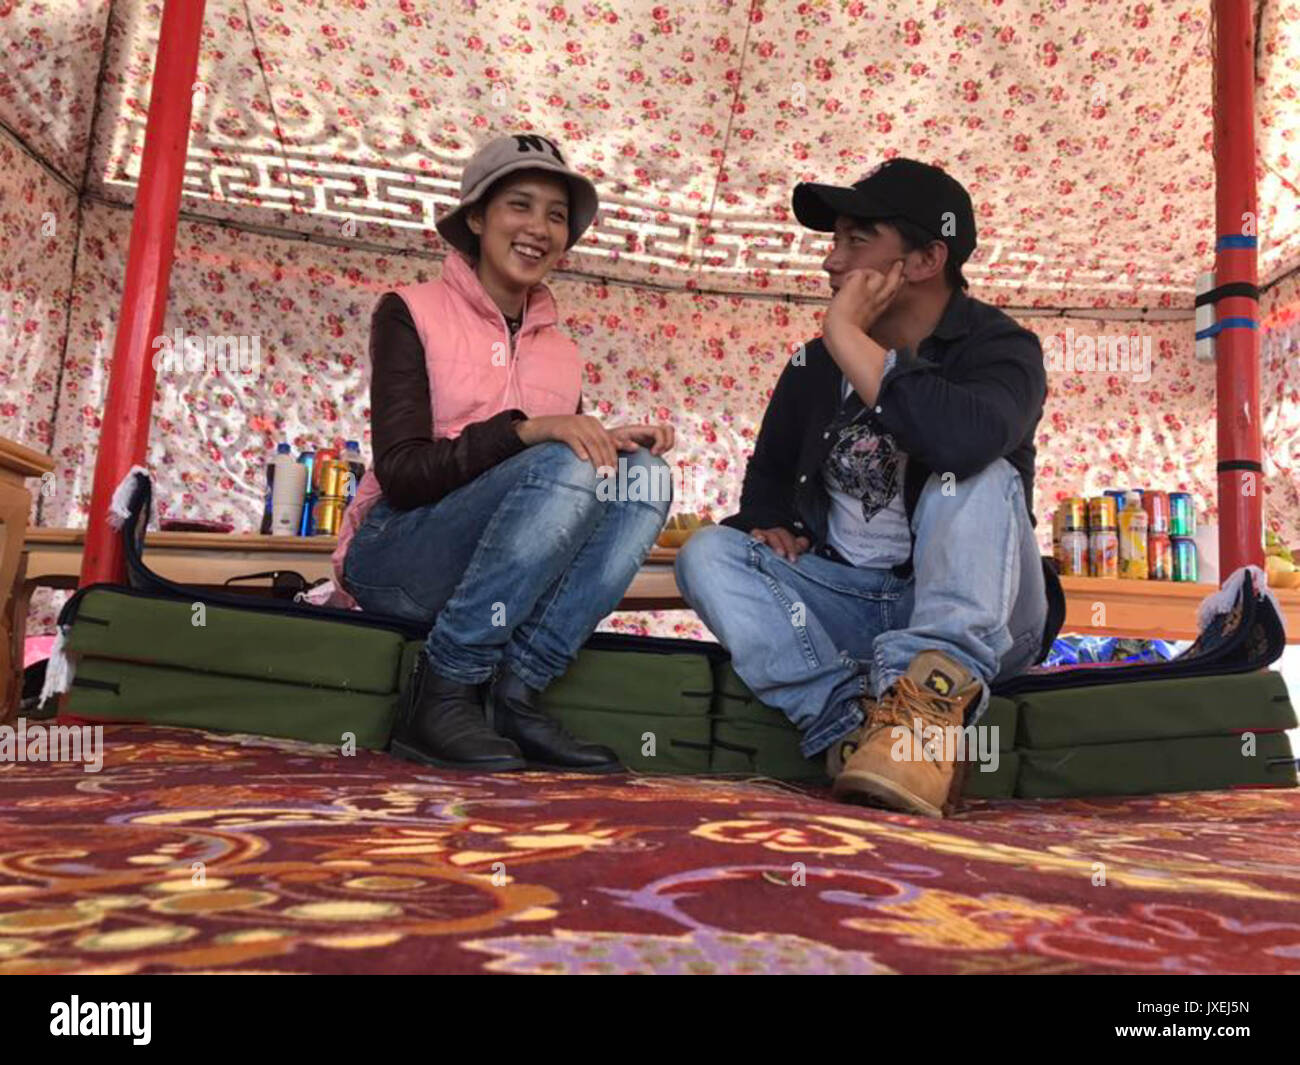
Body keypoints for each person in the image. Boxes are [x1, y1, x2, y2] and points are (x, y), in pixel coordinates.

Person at [675, 158, 1063, 817]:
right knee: (707, 553)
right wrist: (768, 520)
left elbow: (964, 441)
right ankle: (849, 722)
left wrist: (847, 336)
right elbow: (768, 474)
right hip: (853, 605)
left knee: (975, 472)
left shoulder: (1001, 348)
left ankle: (926, 710)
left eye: (855, 241)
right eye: (834, 242)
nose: (831, 264)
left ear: (923, 259)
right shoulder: (811, 369)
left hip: (987, 615)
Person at [332, 133, 674, 773]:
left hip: (501, 581)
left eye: (555, 215)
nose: (539, 228)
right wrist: (527, 431)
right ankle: (444, 689)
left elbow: (556, 490)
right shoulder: (408, 310)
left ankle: (516, 692)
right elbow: (403, 476)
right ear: (476, 217)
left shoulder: (562, 350)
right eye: (519, 205)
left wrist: (609, 443)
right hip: (398, 555)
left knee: (643, 479)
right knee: (567, 455)